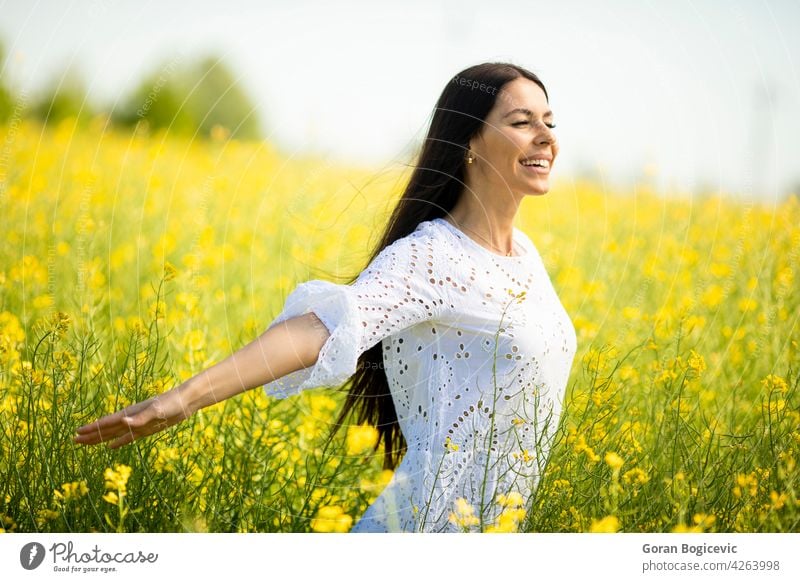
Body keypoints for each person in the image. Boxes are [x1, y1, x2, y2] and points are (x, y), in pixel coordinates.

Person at [74, 61, 577, 533]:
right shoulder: (433, 256)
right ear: (469, 140)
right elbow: (324, 329)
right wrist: (182, 399)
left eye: (549, 122)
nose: (545, 137)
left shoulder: (525, 256)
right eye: (522, 121)